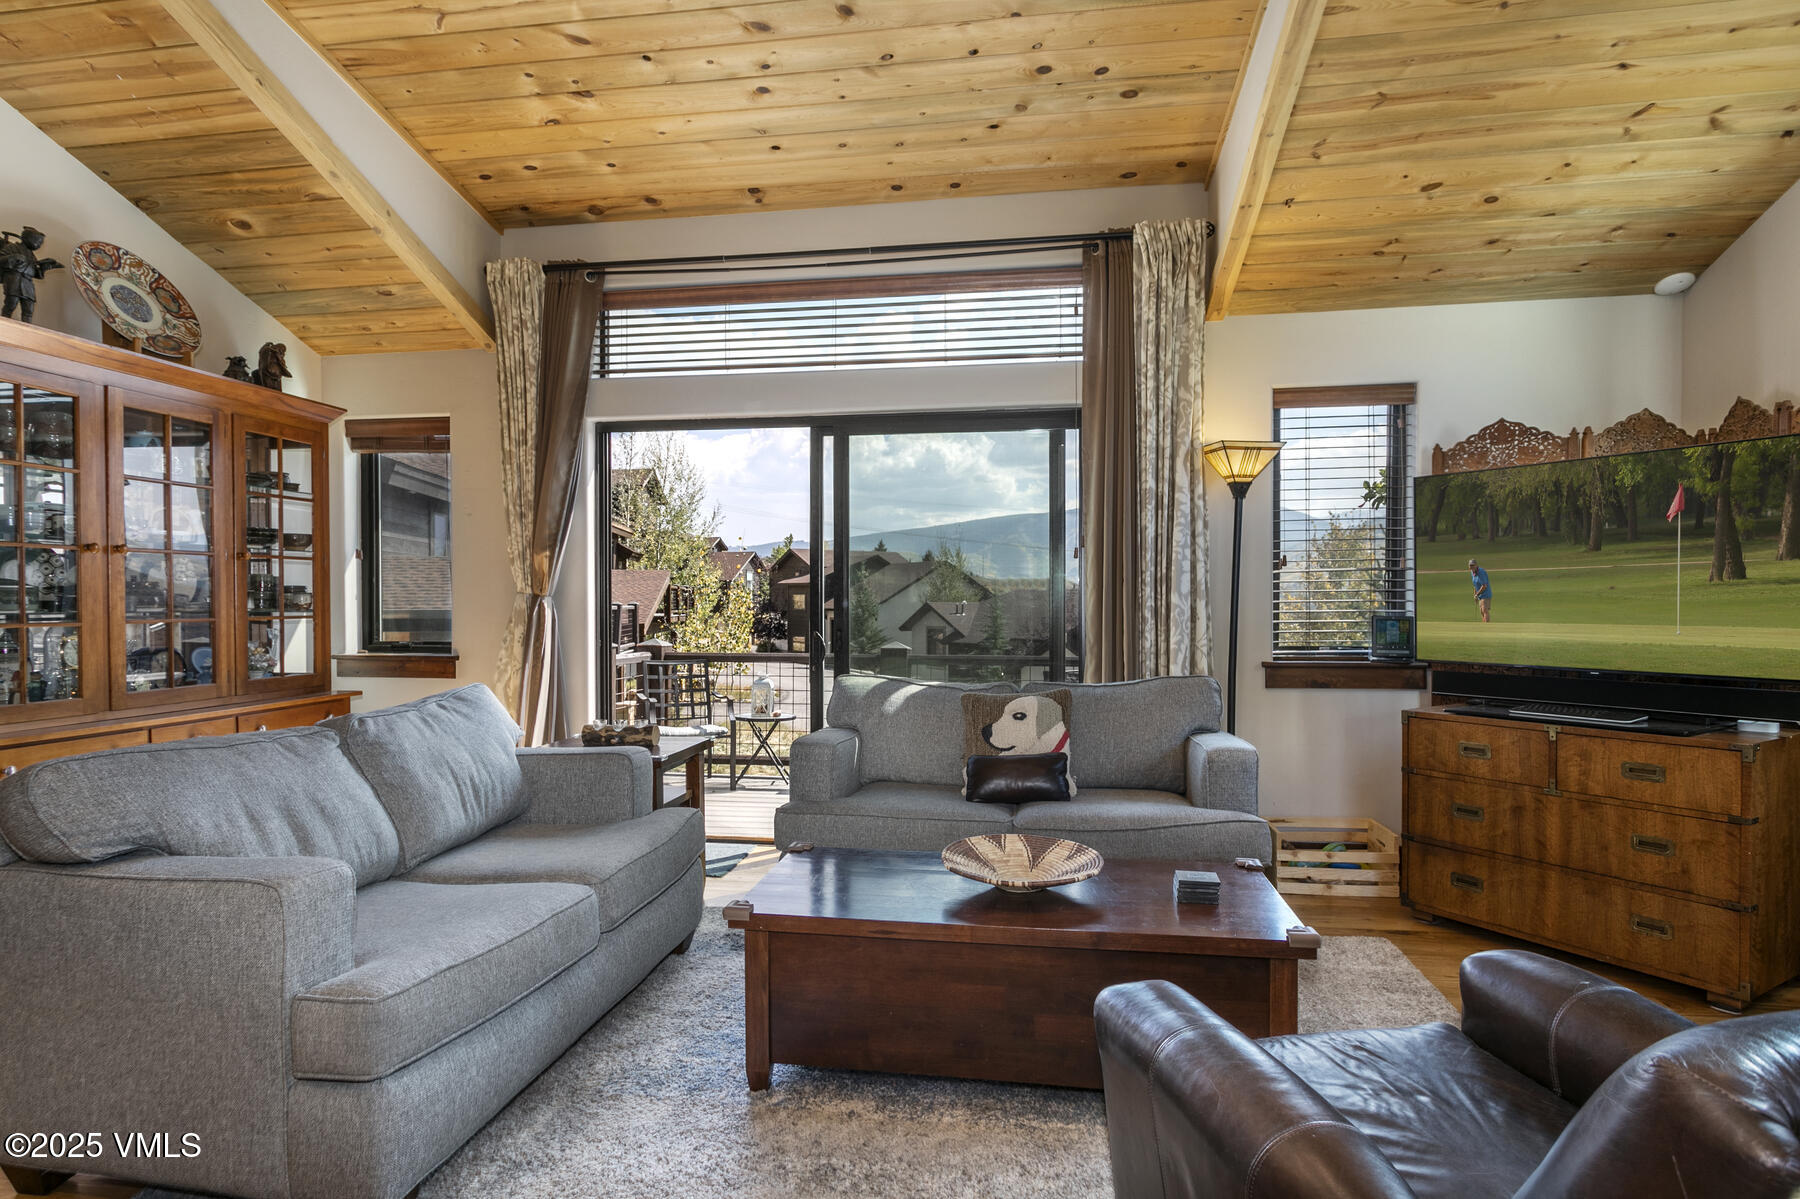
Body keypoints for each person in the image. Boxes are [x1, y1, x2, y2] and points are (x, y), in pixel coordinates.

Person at [0, 227, 63, 324]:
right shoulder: (12, 248)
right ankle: (4, 325)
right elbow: (1, 259)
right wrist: (13, 257)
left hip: (27, 284)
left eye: (40, 243)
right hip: (14, 280)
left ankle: (27, 328)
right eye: (38, 242)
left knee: (28, 309)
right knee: (11, 304)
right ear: (27, 238)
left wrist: (44, 267)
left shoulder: (31, 255)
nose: (39, 245)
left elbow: (34, 272)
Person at [1468, 558, 1492, 623]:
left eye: (1473, 565)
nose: (1471, 567)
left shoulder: (1481, 572)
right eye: (1470, 565)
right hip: (1480, 595)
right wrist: (1475, 595)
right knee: (1481, 611)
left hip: (1486, 594)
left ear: (1476, 565)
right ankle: (1484, 625)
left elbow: (1484, 586)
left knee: (1484, 610)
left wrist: (1477, 594)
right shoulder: (1472, 572)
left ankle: (1487, 626)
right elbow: (1475, 585)